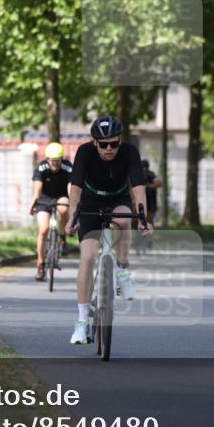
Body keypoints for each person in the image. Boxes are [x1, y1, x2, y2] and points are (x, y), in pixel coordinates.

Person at [65, 116, 152, 345]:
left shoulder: (130, 152)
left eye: (113, 143)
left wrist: (143, 217)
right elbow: (74, 190)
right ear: (95, 142)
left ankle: (122, 268)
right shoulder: (84, 152)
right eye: (103, 144)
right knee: (88, 257)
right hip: (90, 203)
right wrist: (72, 216)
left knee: (124, 221)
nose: (109, 149)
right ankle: (82, 321)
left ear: (120, 140)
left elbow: (139, 188)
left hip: (118, 199)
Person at [29, 142, 73, 281]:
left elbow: (71, 187)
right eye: (52, 161)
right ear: (47, 160)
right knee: (43, 230)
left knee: (64, 209)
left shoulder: (68, 167)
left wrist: (74, 203)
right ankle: (41, 265)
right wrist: (33, 203)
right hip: (45, 198)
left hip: (61, 196)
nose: (55, 164)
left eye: (57, 161)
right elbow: (37, 189)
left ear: (62, 159)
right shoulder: (41, 168)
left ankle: (62, 237)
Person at [142, 160, 163, 225]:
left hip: (151, 199)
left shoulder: (151, 175)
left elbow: (159, 183)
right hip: (142, 198)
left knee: (150, 218)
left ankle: (150, 231)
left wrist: (149, 186)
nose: (144, 171)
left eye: (145, 169)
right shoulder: (138, 174)